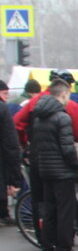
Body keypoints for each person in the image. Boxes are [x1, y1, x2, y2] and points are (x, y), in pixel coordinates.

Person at [29, 81, 78, 251]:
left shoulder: (38, 117)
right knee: (65, 213)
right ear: (63, 95)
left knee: (49, 211)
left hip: (45, 170)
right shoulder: (62, 117)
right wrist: (77, 165)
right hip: (62, 172)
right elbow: (67, 149)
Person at [0, 83, 21, 226]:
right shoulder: (3, 109)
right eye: (5, 94)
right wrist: (14, 178)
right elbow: (10, 141)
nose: (6, 98)